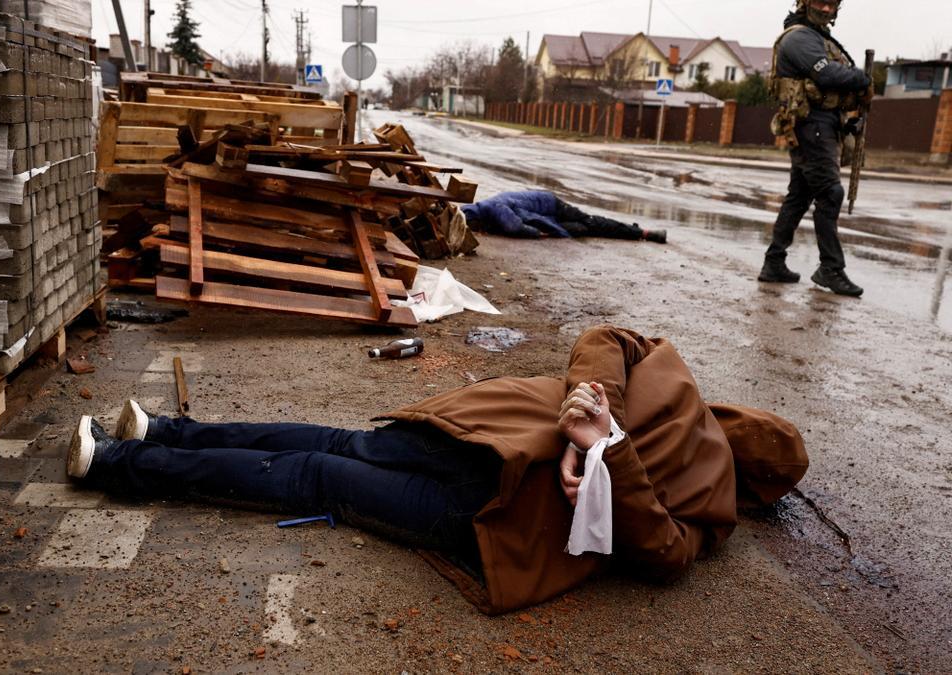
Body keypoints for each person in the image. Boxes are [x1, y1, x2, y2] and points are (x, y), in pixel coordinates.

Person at [67, 325, 808, 614]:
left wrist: (602, 431)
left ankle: (158, 432)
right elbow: (666, 554)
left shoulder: (676, 383)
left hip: (483, 450)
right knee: (321, 472)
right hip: (491, 498)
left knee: (332, 446)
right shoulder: (703, 458)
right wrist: (598, 434)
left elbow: (605, 339)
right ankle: (122, 457)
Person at [759, 0, 872, 297]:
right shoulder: (799, 37)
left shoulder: (819, 37)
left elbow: (831, 86)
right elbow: (827, 75)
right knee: (830, 192)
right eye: (820, 2)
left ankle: (774, 263)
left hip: (821, 123)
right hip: (810, 125)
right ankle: (830, 269)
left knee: (799, 195)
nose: (826, 9)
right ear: (804, 3)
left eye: (831, 4)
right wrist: (862, 78)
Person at [460, 190, 668, 243]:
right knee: (587, 229)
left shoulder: (492, 206)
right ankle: (632, 231)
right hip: (549, 216)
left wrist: (537, 233)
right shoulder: (487, 209)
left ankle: (643, 232)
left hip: (552, 206)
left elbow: (515, 227)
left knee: (591, 222)